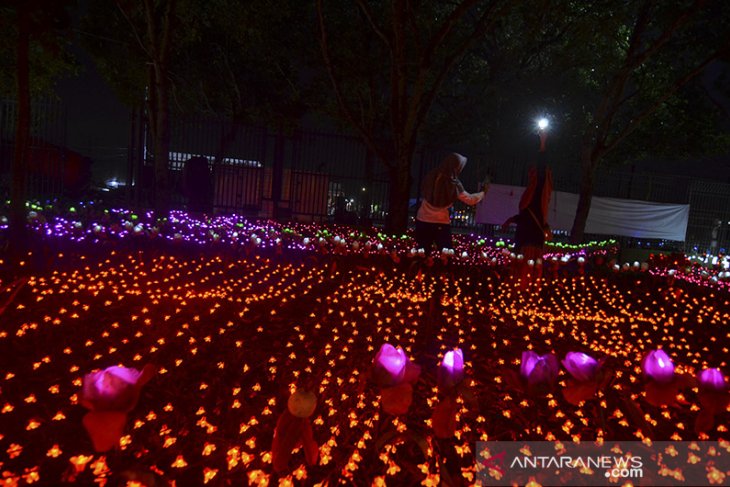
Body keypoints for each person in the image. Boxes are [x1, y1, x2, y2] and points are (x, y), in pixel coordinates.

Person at [415, 153, 488, 251]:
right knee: (446, 254)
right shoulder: (453, 183)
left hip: (422, 219)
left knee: (421, 252)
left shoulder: (431, 175)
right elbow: (470, 200)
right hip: (440, 222)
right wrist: (483, 192)